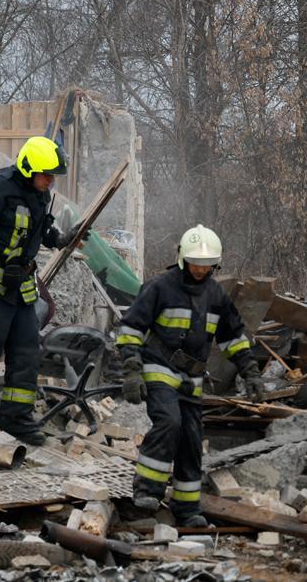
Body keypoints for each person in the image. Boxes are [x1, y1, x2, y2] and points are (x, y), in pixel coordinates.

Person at [116, 224, 262, 528]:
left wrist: (251, 372)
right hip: (158, 367)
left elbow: (233, 337)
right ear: (183, 258)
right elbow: (131, 328)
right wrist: (131, 371)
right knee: (169, 421)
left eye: (207, 265)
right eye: (196, 263)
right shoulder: (160, 287)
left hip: (192, 379)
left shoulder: (215, 295)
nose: (200, 270)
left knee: (192, 440)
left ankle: (186, 509)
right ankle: (147, 489)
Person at [0, 136, 77, 445]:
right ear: (28, 168)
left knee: (26, 347)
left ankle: (15, 417)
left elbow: (40, 230)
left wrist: (59, 239)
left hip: (20, 285)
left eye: (52, 176)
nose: (50, 181)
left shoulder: (39, 195)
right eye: (46, 174)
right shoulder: (0, 191)